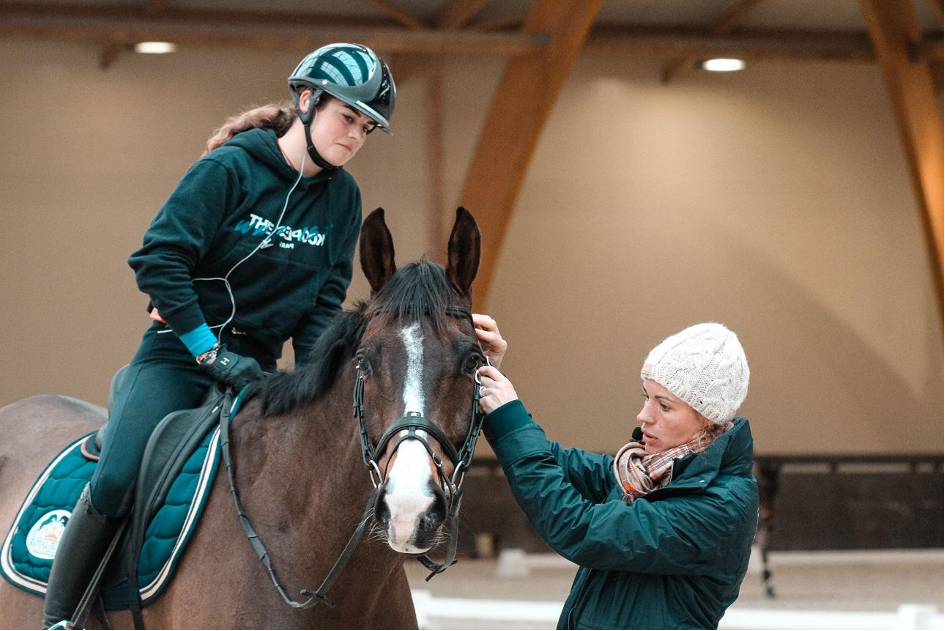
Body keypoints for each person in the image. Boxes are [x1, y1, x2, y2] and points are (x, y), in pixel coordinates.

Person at [42, 43, 396, 628]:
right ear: (307, 102)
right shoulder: (229, 169)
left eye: (365, 127)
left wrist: (316, 384)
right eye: (346, 117)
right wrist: (208, 348)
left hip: (256, 374)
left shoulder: (344, 200)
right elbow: (159, 259)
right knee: (118, 473)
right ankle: (60, 616)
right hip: (178, 356)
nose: (355, 136)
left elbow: (320, 309)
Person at [473, 317, 756, 630]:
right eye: (646, 396)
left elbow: (578, 528)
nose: (643, 415)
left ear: (707, 418)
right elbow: (553, 460)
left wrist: (509, 414)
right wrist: (490, 375)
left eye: (663, 405)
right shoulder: (641, 473)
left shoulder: (719, 507)